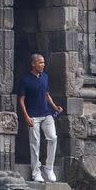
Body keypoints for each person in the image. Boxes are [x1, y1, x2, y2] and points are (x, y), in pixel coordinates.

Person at [18, 53, 64, 182]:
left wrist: (54, 106)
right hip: (33, 116)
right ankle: (36, 172)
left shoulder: (45, 77)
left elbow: (46, 93)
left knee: (53, 138)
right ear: (33, 64)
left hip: (46, 113)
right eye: (40, 62)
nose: (43, 65)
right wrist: (26, 116)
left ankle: (49, 168)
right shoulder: (25, 80)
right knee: (35, 144)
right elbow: (21, 100)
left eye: (43, 62)